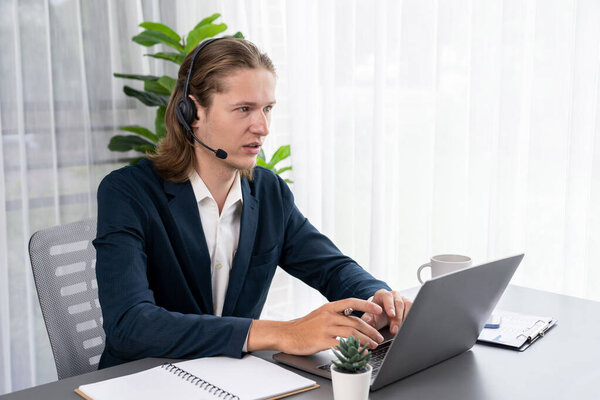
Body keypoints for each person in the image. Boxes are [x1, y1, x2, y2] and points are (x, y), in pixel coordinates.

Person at [94, 38, 412, 369]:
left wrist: (380, 299)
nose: (262, 128)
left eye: (268, 109)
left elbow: (332, 268)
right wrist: (283, 333)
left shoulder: (268, 192)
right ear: (193, 112)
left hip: (231, 379)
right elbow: (130, 325)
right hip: (142, 380)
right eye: (244, 109)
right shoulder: (128, 192)